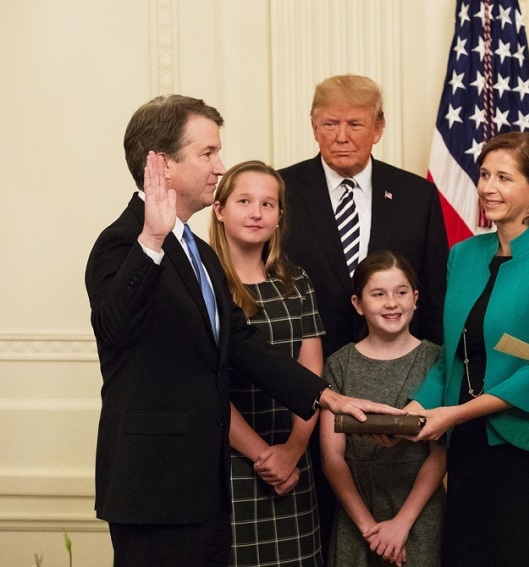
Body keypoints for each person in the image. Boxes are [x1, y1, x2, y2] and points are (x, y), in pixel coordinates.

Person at [85, 94, 400, 567]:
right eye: (207, 153)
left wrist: (329, 398)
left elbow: (243, 346)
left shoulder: (198, 251)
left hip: (205, 489)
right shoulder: (122, 242)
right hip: (153, 487)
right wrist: (150, 240)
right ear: (162, 164)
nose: (220, 166)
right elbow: (115, 329)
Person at [407, 131, 529, 567]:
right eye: (484, 174)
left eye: (504, 177)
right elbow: (450, 355)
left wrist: (452, 414)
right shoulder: (463, 255)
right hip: (471, 447)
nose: (488, 187)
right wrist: (414, 409)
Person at [277, 74, 449, 556]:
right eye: (329, 123)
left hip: (405, 392)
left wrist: (429, 394)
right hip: (309, 390)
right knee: (327, 535)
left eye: (355, 123)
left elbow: (433, 299)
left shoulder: (417, 195)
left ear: (379, 127)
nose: (342, 135)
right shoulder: (283, 191)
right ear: (313, 126)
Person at [209, 160, 324, 566]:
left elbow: (312, 374)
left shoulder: (296, 281)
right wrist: (264, 456)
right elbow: (205, 385)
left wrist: (292, 450)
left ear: (279, 217)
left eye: (268, 203)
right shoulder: (204, 287)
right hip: (232, 464)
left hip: (295, 464)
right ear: (220, 210)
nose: (256, 212)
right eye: (244, 200)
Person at [319, 251, 445, 567]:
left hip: (418, 514)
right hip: (357, 514)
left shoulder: (437, 361)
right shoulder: (339, 365)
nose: (391, 303)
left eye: (401, 292)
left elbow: (439, 453)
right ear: (358, 304)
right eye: (378, 294)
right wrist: (368, 528)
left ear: (415, 299)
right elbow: (332, 456)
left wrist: (401, 524)